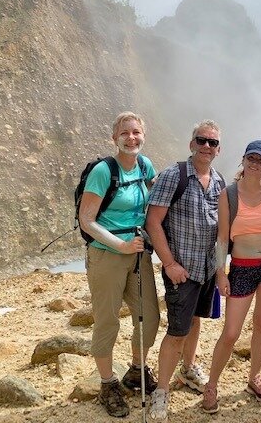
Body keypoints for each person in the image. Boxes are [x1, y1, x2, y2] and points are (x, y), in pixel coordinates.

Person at [201, 140, 261, 414]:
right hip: (242, 266)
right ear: (243, 160)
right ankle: (212, 385)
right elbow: (221, 238)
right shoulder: (228, 194)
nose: (255, 164)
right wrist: (221, 273)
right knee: (231, 332)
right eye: (251, 158)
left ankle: (255, 377)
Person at [78, 111, 160, 418]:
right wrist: (121, 244)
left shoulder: (145, 165)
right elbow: (86, 220)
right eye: (125, 133)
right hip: (107, 254)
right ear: (115, 138)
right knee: (107, 320)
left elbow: (157, 202)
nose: (131, 138)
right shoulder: (103, 171)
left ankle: (136, 370)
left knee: (149, 316)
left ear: (143, 135)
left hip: (139, 253)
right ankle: (107, 384)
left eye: (136, 132)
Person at [145, 120, 225, 422]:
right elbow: (153, 222)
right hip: (182, 269)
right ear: (191, 143)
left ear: (219, 149)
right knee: (177, 331)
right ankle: (161, 391)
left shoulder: (217, 182)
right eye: (201, 140)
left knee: (194, 321)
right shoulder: (173, 176)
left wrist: (220, 269)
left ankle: (189, 369)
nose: (206, 146)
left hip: (205, 270)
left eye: (212, 142)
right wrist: (169, 264)